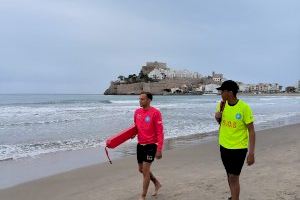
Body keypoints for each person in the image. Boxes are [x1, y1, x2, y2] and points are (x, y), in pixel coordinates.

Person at [215, 80, 256, 200]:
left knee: (234, 177)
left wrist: (251, 153)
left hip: (239, 148)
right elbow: (221, 124)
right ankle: (233, 196)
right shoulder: (221, 105)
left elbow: (251, 131)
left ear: (230, 92)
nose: (221, 93)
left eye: (222, 91)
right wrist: (217, 118)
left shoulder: (244, 108)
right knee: (229, 175)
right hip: (224, 146)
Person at [133, 92, 164, 200]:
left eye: (142, 99)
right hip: (140, 145)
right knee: (141, 169)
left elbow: (160, 132)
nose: (140, 101)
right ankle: (156, 183)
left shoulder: (155, 113)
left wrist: (159, 149)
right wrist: (132, 134)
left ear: (149, 100)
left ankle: (143, 196)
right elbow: (136, 127)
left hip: (151, 145)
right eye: (139, 99)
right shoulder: (137, 112)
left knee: (145, 171)